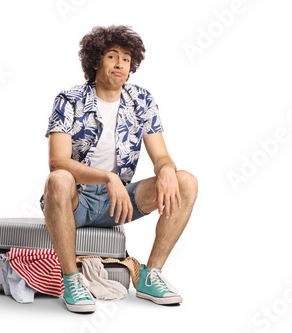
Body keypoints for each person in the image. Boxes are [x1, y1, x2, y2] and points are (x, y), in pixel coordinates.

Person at [40, 25, 198, 313]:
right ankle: (72, 281)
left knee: (185, 181)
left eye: (126, 58)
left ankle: (151, 275)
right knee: (59, 179)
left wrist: (165, 169)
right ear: (95, 61)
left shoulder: (142, 100)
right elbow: (57, 162)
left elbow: (162, 156)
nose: (120, 64)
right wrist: (108, 177)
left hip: (118, 202)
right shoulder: (69, 99)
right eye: (112, 56)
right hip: (76, 199)